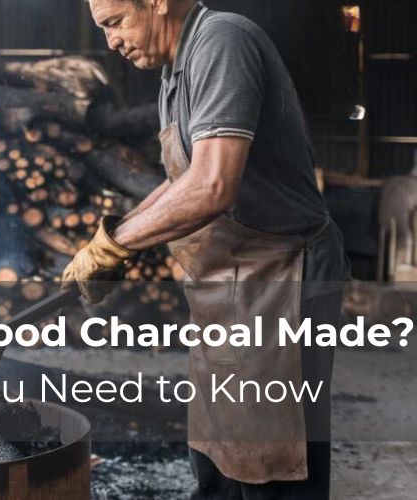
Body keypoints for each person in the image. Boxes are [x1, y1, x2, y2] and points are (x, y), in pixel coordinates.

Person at [64, 1, 350, 498]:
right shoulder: (175, 71)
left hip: (283, 276)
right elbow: (182, 181)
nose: (111, 41)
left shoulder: (221, 42)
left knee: (273, 465)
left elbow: (213, 185)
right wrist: (109, 241)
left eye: (115, 23)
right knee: (220, 455)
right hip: (229, 284)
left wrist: (117, 245)